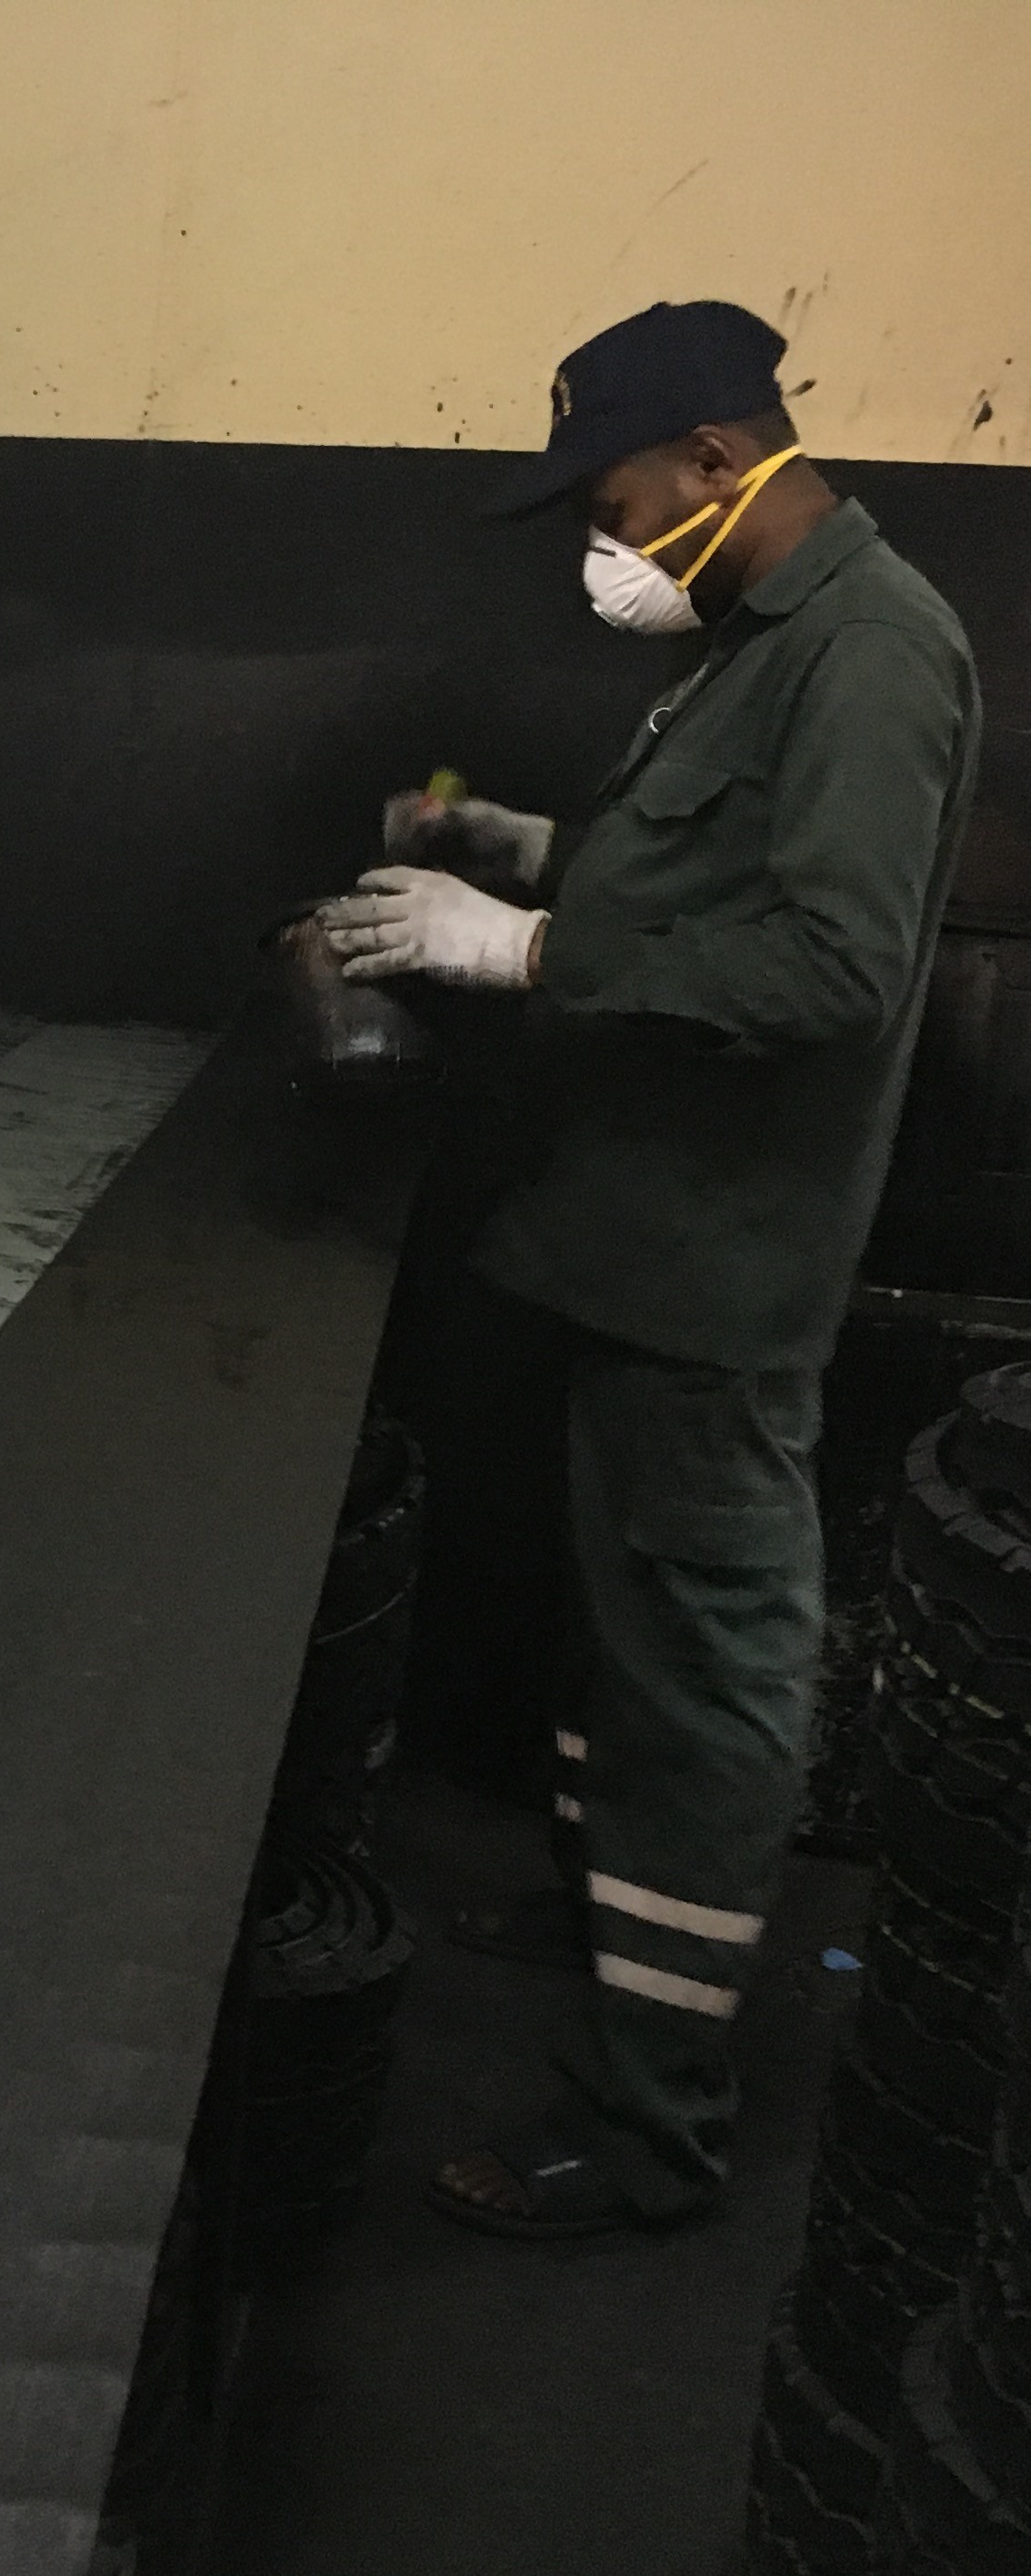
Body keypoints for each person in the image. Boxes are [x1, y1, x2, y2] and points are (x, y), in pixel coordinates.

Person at [319, 299, 980, 2238]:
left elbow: (831, 968)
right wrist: (528, 850)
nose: (605, 549)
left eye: (612, 505)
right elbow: (713, 877)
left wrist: (523, 950)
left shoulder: (873, 651)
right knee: (628, 1635)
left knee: (701, 1671)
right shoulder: (758, 642)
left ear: (715, 455)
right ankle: (617, 1919)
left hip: (719, 1265)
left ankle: (647, 2120)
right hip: (631, 1242)